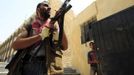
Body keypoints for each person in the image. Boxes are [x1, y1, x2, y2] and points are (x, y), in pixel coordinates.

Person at [12, 1, 68, 75]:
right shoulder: (29, 26)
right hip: (30, 66)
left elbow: (65, 46)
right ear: (38, 10)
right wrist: (40, 36)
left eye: (49, 6)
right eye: (45, 5)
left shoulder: (53, 25)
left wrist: (60, 24)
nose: (49, 8)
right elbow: (15, 45)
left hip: (49, 67)